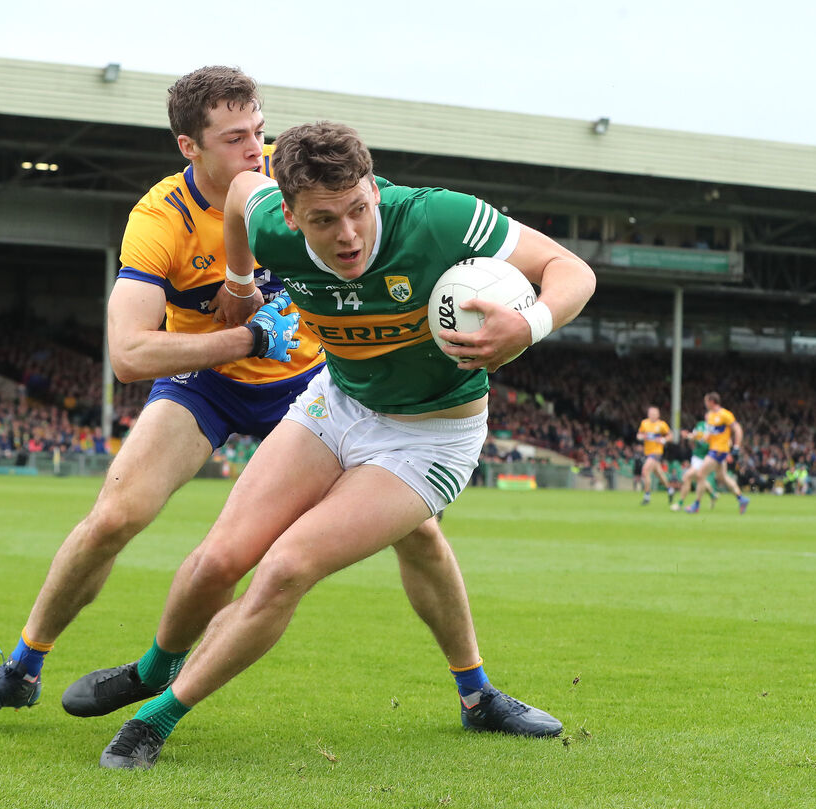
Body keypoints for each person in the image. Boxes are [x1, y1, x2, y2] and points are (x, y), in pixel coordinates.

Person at [0, 69, 490, 731]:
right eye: (235, 138)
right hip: (208, 382)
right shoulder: (160, 218)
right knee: (117, 514)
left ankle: (477, 692)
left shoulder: (292, 191)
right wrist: (244, 337)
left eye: (260, 130)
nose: (256, 148)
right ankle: (23, 667)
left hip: (309, 383)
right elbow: (130, 354)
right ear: (188, 147)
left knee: (419, 532)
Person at [97, 121, 596, 769]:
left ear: (373, 189)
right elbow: (242, 193)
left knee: (284, 567)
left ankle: (154, 718)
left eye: (359, 209)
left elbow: (571, 269)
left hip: (431, 437)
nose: (349, 234)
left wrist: (529, 324)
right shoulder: (271, 216)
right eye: (324, 220)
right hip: (338, 403)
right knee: (219, 559)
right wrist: (241, 282)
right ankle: (152, 667)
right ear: (294, 215)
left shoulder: (437, 219)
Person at [687, 392, 749, 514]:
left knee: (700, 474)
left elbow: (738, 429)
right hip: (715, 449)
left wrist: (736, 446)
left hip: (719, 450)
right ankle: (742, 499)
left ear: (711, 401)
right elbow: (709, 436)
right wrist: (695, 436)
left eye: (706, 401)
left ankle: (696, 505)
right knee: (722, 477)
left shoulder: (725, 414)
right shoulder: (710, 416)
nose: (705, 404)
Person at [670, 419, 718, 512]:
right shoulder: (700, 424)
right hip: (696, 457)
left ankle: (680, 503)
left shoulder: (716, 428)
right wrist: (688, 436)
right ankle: (712, 495)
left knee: (687, 477)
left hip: (706, 458)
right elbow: (694, 436)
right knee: (700, 478)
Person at [635, 406, 675, 506]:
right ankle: (670, 490)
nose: (653, 415)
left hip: (656, 452)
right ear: (648, 414)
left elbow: (671, 436)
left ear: (658, 415)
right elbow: (639, 435)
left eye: (655, 413)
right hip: (647, 452)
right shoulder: (644, 423)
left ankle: (647, 496)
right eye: (651, 413)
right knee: (659, 474)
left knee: (645, 470)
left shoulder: (662, 425)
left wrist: (663, 440)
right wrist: (641, 437)